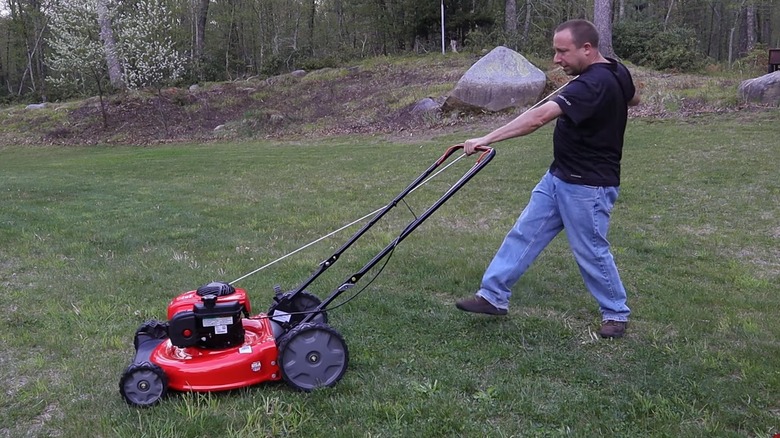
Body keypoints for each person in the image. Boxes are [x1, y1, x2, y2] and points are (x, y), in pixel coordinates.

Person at [454, 19, 640, 339]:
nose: (556, 59)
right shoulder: (614, 69)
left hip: (588, 185)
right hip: (560, 175)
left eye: (562, 51)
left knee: (591, 250)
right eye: (555, 51)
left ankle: (615, 313)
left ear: (587, 48)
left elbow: (537, 119)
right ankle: (493, 296)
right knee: (524, 234)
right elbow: (634, 98)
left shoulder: (591, 84)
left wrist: (486, 138)